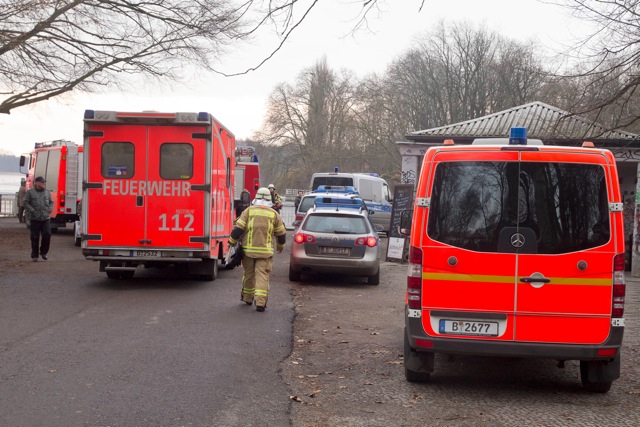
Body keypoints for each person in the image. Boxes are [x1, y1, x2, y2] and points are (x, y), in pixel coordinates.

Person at [228, 187, 286, 312]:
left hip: (248, 251)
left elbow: (238, 229)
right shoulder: (274, 214)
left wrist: (232, 242)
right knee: (262, 276)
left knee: (249, 274)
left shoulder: (248, 211)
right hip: (265, 253)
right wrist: (280, 246)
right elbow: (281, 234)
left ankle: (248, 298)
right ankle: (260, 303)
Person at [23, 176, 54, 261]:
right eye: (41, 182)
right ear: (36, 182)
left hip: (45, 218)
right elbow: (25, 202)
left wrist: (49, 209)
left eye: (44, 182)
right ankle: (35, 255)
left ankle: (43, 252)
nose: (43, 183)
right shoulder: (30, 192)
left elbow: (51, 202)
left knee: (47, 234)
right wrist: (32, 210)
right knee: (34, 237)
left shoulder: (47, 192)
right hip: (35, 218)